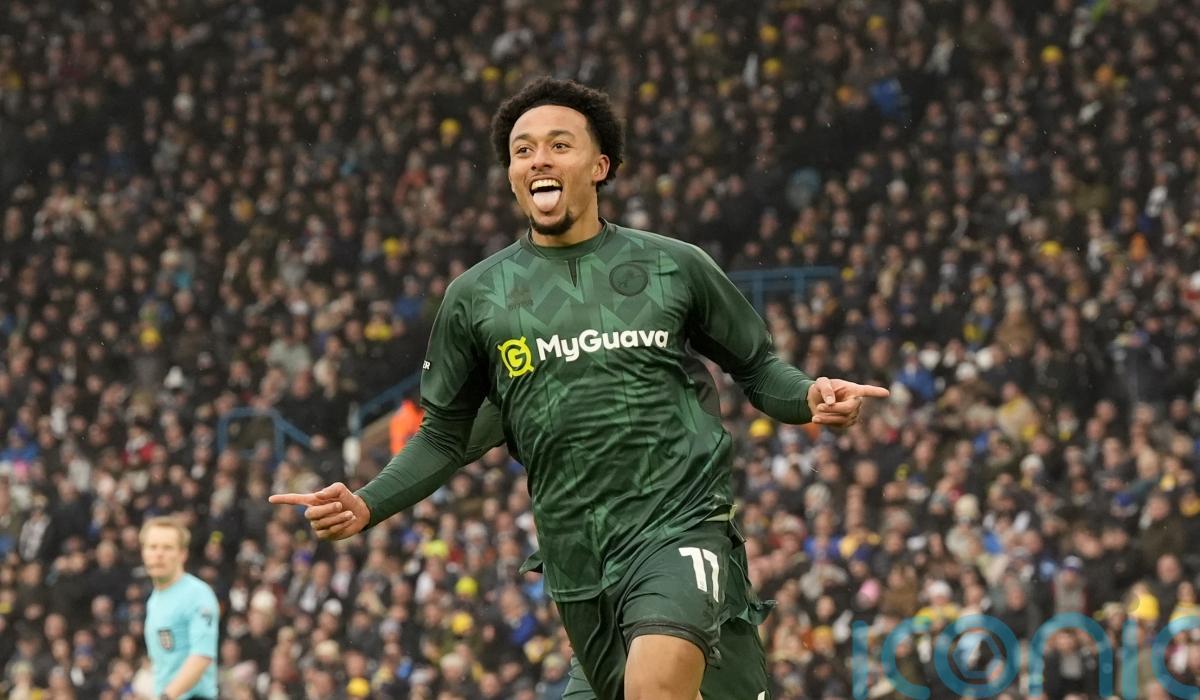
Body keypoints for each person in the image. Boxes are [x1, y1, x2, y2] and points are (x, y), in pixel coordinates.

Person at [270, 77, 889, 700]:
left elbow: (757, 367)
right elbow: (444, 434)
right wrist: (368, 503)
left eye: (559, 145)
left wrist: (808, 396)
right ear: (512, 177)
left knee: (653, 688)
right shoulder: (476, 299)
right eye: (523, 150)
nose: (538, 159)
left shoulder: (673, 266)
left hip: (680, 526)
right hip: (578, 564)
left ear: (600, 166)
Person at [141, 515, 220, 700]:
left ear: (183, 554)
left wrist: (167, 696)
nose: (159, 554)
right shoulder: (154, 600)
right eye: (152, 547)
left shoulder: (197, 594)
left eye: (167, 547)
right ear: (143, 552)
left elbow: (201, 656)